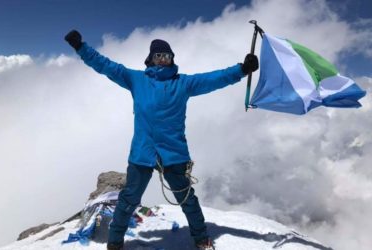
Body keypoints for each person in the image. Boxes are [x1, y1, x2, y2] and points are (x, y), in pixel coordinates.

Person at [65, 29, 258, 250]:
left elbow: (213, 79)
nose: (163, 60)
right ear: (150, 59)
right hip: (143, 152)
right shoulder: (136, 79)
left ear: (173, 59)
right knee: (128, 200)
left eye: (167, 56)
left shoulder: (183, 83)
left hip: (173, 152)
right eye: (159, 56)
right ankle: (115, 243)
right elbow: (106, 66)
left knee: (187, 199)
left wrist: (242, 69)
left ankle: (201, 238)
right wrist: (81, 48)